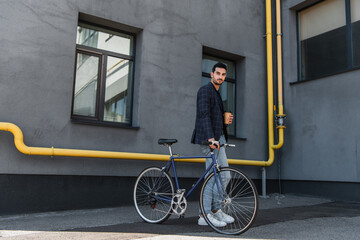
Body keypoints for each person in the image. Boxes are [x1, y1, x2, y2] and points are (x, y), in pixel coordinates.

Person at [191, 62, 234, 227]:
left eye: (223, 75)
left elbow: (215, 118)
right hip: (209, 139)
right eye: (218, 73)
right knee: (212, 178)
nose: (221, 77)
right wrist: (210, 138)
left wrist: (224, 120)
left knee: (225, 175)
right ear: (211, 74)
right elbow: (203, 115)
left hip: (219, 138)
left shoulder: (217, 94)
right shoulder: (205, 91)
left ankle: (215, 210)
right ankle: (204, 214)